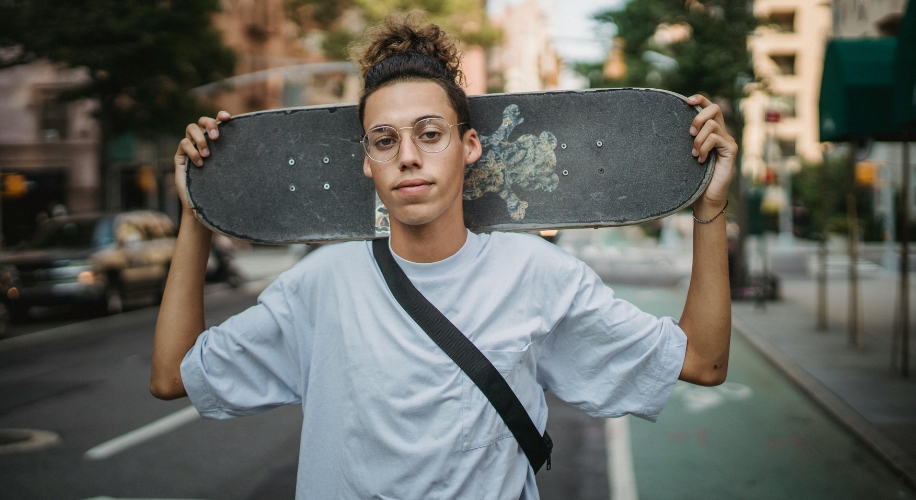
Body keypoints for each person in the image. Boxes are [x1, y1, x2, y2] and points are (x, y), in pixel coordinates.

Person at [151, 12, 736, 500]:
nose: (408, 155)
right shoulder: (320, 284)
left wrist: (711, 206)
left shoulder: (534, 273)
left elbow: (703, 362)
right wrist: (198, 213)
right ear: (367, 161)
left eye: (430, 133)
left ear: (469, 145)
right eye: (385, 140)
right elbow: (173, 376)